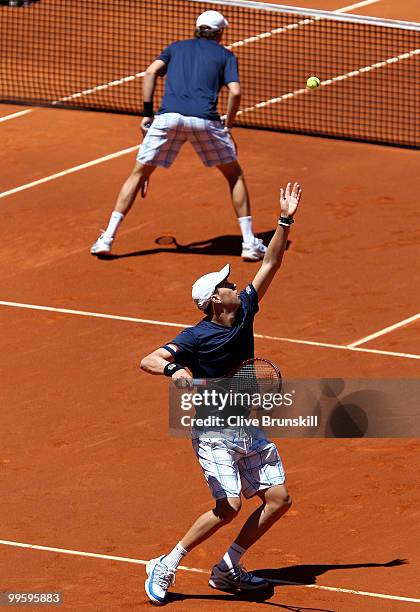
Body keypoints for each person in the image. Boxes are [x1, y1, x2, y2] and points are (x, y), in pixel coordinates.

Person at [140, 181, 302, 604]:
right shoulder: (196, 336)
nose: (236, 285)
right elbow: (149, 360)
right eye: (226, 284)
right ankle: (167, 562)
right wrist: (175, 369)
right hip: (212, 429)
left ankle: (228, 567)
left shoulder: (245, 308)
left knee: (279, 499)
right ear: (214, 300)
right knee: (229, 505)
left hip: (244, 426)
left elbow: (272, 262)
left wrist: (284, 220)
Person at [90, 10, 267, 261]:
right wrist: (229, 125)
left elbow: (150, 72)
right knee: (234, 175)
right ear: (220, 33)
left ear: (197, 29)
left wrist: (147, 113)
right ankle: (249, 244)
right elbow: (235, 92)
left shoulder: (175, 48)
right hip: (205, 120)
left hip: (167, 118)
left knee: (138, 174)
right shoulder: (226, 56)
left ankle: (106, 239)